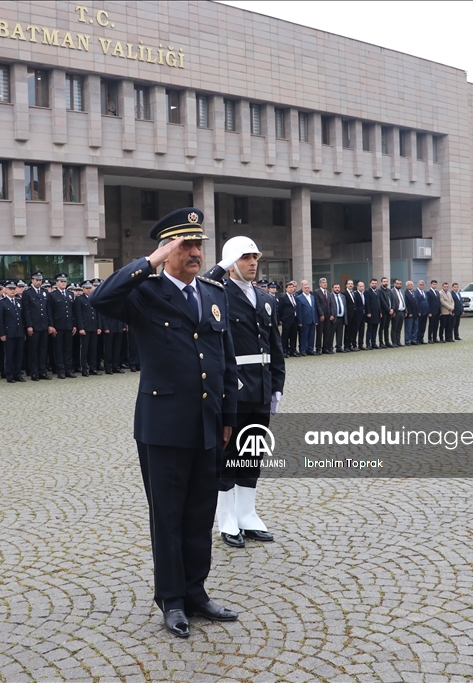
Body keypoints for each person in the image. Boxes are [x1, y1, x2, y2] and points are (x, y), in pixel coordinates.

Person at [90, 207, 239, 639]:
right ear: (166, 249)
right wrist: (150, 262)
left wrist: (228, 418)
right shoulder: (144, 292)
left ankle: (196, 593)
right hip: (164, 426)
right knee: (168, 517)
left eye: (198, 245)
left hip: (209, 424)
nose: (195, 253)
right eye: (184, 245)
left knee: (199, 514)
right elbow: (100, 299)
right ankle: (172, 600)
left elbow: (224, 361)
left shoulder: (212, 293)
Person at [203, 236, 285, 550]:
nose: (253, 262)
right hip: (233, 389)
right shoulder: (219, 294)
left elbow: (275, 348)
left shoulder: (266, 298)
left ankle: (247, 514)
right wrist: (221, 266)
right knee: (227, 456)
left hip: (261, 387)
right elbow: (204, 284)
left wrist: (277, 385)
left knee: (252, 454)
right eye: (246, 257)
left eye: (255, 256)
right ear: (232, 262)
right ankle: (226, 519)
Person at [0, 280, 25, 383]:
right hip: (9, 333)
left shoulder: (19, 301)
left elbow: (22, 318)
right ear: (5, 290)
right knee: (9, 354)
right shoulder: (2, 303)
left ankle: (18, 374)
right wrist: (2, 333)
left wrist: (23, 332)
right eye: (10, 289)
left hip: (19, 332)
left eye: (13, 289)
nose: (12, 291)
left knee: (19, 354)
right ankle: (9, 374)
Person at [22, 271, 51, 381]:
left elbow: (47, 310)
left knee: (43, 350)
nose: (39, 282)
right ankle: (34, 372)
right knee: (33, 350)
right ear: (32, 280)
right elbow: (27, 311)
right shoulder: (27, 293)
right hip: (34, 326)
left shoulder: (44, 292)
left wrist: (50, 324)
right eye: (37, 280)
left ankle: (42, 371)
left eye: (40, 280)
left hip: (44, 325)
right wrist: (29, 325)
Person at [48, 273, 76, 378]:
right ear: (57, 283)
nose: (64, 283)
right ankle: (60, 370)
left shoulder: (70, 294)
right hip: (58, 326)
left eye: (65, 281)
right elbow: (49, 311)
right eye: (61, 281)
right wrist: (51, 325)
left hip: (68, 325)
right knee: (58, 349)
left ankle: (69, 369)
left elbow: (72, 311)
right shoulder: (52, 295)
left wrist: (74, 324)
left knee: (68, 349)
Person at [74, 281, 100, 376]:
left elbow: (95, 313)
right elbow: (78, 314)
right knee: (84, 349)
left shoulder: (92, 298)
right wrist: (81, 327)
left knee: (93, 349)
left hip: (93, 326)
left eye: (90, 288)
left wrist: (98, 327)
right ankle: (84, 368)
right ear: (83, 289)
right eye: (87, 288)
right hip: (85, 327)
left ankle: (93, 368)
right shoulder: (79, 299)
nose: (89, 290)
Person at [278, 281, 299, 357]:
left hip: (294, 319)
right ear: (286, 289)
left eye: (292, 287)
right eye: (289, 287)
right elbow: (280, 309)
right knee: (285, 336)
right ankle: (284, 351)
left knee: (293, 336)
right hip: (286, 319)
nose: (291, 289)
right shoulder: (283, 298)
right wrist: (281, 319)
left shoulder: (295, 297)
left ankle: (293, 350)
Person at [312, 278, 332, 354]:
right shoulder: (316, 292)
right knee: (319, 333)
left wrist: (331, 314)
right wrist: (321, 314)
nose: (325, 284)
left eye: (326, 282)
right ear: (320, 284)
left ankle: (325, 348)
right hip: (321, 316)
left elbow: (330, 304)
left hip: (328, 315)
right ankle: (318, 348)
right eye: (323, 282)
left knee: (327, 332)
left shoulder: (328, 292)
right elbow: (317, 304)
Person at [364, 278, 381, 349]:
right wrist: (368, 312)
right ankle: (368, 343)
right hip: (371, 313)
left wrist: (380, 312)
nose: (374, 284)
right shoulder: (367, 292)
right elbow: (367, 303)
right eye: (373, 283)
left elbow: (379, 303)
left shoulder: (377, 291)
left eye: (375, 283)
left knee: (375, 329)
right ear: (370, 284)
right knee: (370, 329)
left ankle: (374, 343)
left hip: (377, 313)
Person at [390, 279, 407, 347]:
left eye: (400, 284)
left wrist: (406, 311)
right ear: (394, 284)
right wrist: (393, 311)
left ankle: (398, 341)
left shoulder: (402, 291)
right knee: (394, 328)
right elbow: (391, 302)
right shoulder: (391, 291)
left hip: (402, 312)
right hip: (395, 312)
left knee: (399, 328)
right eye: (397, 283)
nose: (399, 285)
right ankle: (394, 342)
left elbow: (404, 302)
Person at [352, 281, 367, 350]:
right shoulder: (355, 294)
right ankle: (354, 345)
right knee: (355, 330)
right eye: (360, 286)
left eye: (363, 286)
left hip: (363, 315)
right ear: (357, 287)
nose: (362, 287)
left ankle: (360, 344)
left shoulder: (364, 294)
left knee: (362, 330)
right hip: (357, 315)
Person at [403, 280, 419, 346]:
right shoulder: (405, 293)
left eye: (411, 285)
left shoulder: (414, 292)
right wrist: (409, 312)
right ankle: (407, 340)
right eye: (409, 285)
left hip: (416, 313)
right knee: (408, 328)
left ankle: (413, 339)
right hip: (409, 314)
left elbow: (417, 303)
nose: (410, 286)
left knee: (415, 328)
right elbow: (406, 303)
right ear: (406, 286)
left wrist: (418, 312)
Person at [415, 280, 430, 345]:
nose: (422, 286)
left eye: (423, 285)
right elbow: (416, 303)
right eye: (420, 284)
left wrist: (428, 311)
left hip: (425, 312)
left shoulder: (425, 292)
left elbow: (427, 302)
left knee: (423, 326)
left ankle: (421, 338)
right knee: (418, 326)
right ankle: (417, 339)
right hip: (420, 312)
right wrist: (418, 311)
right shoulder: (416, 292)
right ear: (418, 285)